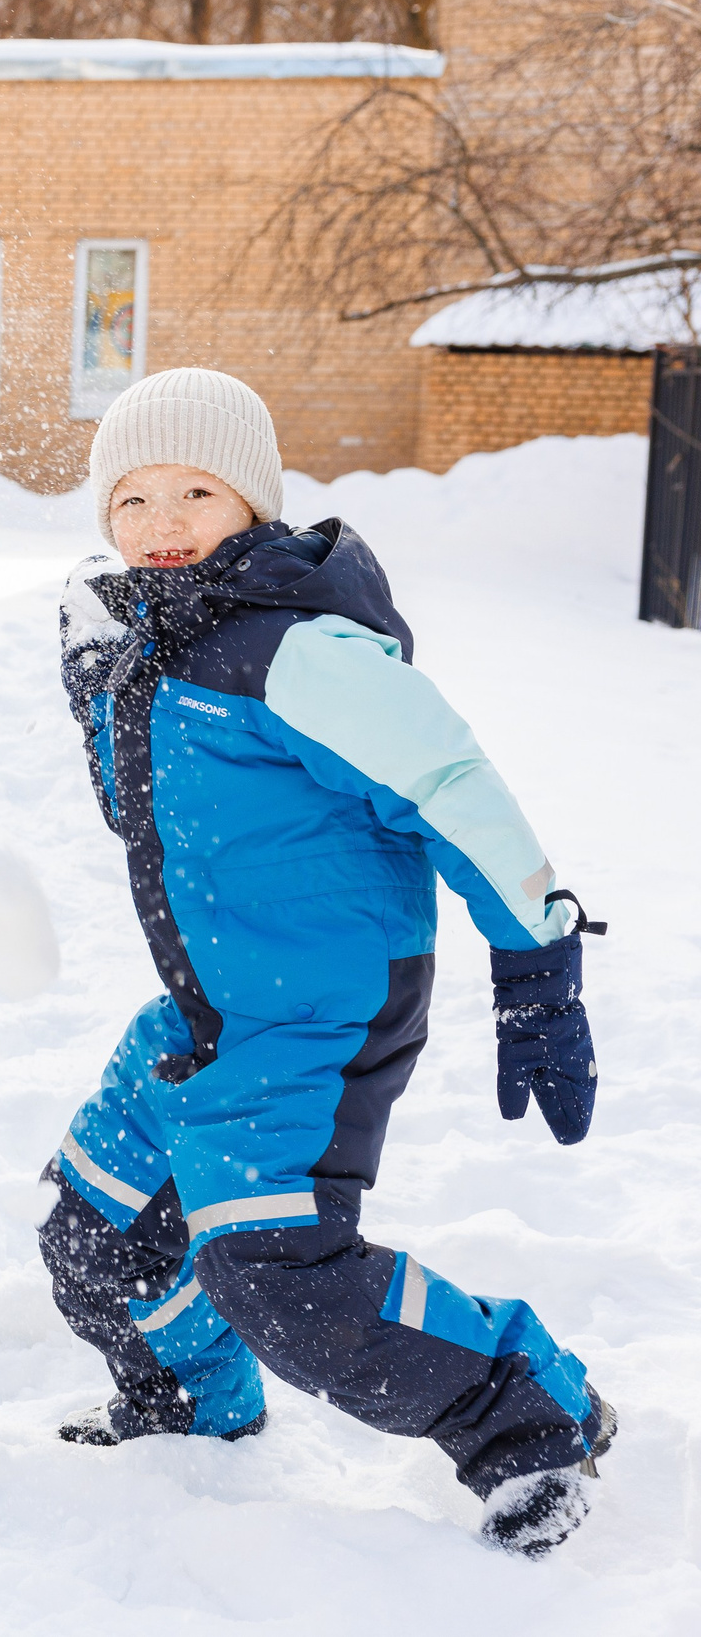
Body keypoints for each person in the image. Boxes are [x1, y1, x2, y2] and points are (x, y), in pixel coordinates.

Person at [38, 366, 615, 1557]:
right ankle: (192, 1407)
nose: (160, 523)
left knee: (278, 1276)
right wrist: (100, 684)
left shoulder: (296, 648)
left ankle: (531, 1407)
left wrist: (536, 966)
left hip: (318, 1016)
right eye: (131, 498)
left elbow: (450, 786)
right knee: (95, 1233)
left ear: (252, 502)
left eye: (194, 490)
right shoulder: (153, 637)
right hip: (207, 1010)